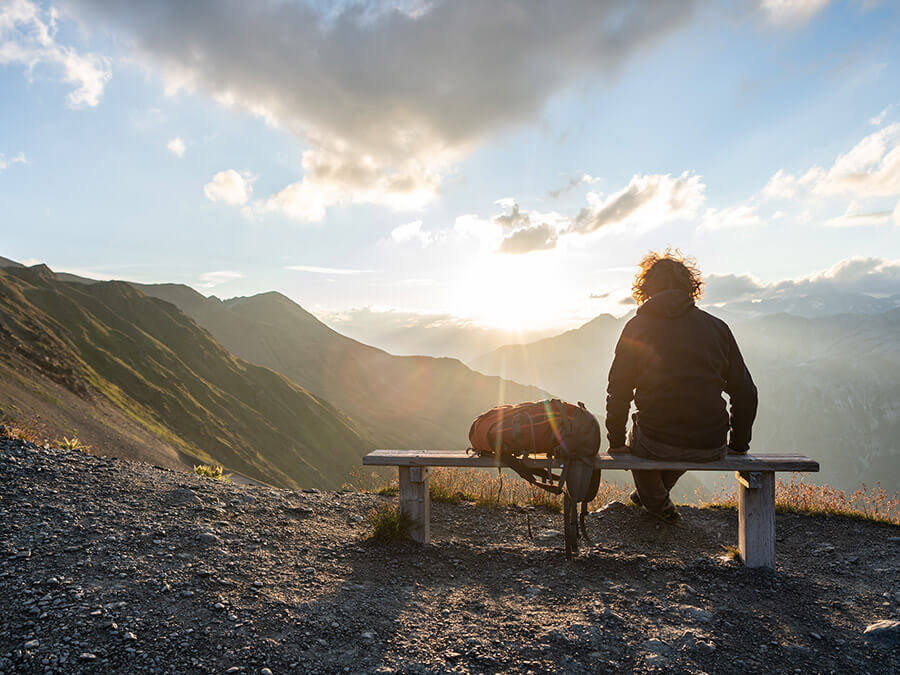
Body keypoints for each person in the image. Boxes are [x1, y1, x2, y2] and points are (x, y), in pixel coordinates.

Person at [606, 250, 758, 523]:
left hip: (656, 440)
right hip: (710, 442)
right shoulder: (717, 328)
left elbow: (618, 389)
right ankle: (649, 494)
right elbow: (745, 392)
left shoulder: (637, 327)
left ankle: (659, 506)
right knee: (684, 431)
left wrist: (615, 441)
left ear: (647, 288)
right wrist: (738, 444)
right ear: (690, 287)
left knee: (639, 435)